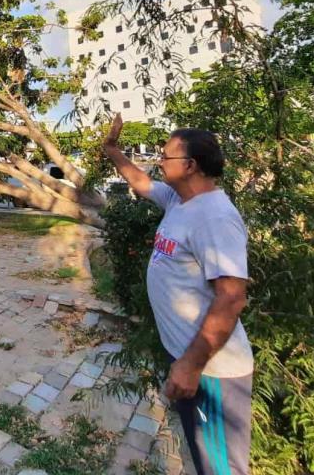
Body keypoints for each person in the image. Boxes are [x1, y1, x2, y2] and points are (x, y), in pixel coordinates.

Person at [102, 113, 253, 475]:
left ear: (190, 165)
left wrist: (191, 365)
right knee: (205, 458)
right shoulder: (179, 201)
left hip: (212, 370)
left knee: (220, 465)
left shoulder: (215, 217)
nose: (158, 161)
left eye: (165, 156)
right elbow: (140, 182)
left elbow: (231, 298)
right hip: (192, 362)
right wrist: (112, 151)